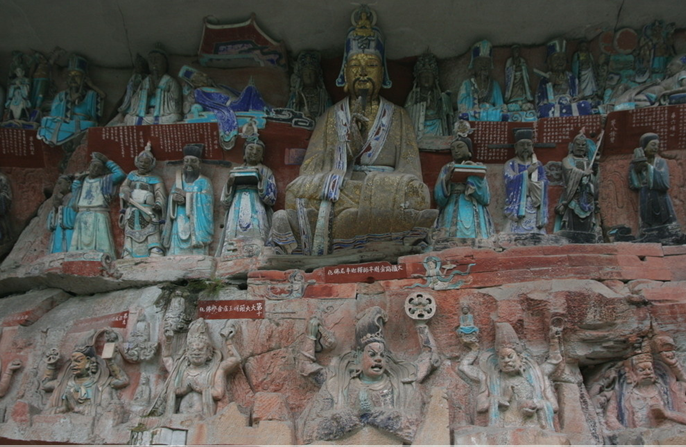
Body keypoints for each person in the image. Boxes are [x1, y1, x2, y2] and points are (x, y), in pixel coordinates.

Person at [268, 8, 436, 255]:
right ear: (344, 73)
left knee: (416, 194)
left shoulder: (399, 116)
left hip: (384, 188)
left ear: (382, 72)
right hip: (342, 187)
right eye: (355, 66)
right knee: (295, 191)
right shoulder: (330, 116)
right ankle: (369, 225)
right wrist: (345, 151)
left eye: (371, 65)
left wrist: (378, 185)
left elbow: (411, 173)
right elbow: (309, 170)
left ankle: (352, 222)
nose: (363, 72)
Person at [298, 306, 438, 444]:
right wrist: (311, 336)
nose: (378, 359)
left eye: (382, 355)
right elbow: (306, 368)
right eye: (372, 354)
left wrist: (421, 324)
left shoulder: (399, 382)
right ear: (359, 357)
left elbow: (430, 359)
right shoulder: (338, 382)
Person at [459, 321, 563, 430]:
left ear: (520, 358)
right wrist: (474, 350)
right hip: (504, 429)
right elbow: (481, 405)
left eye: (510, 356)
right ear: (497, 362)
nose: (506, 361)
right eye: (502, 358)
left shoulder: (537, 374)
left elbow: (554, 406)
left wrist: (535, 404)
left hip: (533, 428)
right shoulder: (489, 378)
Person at [148, 318, 241, 417]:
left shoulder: (215, 370)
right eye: (193, 350)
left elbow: (218, 393)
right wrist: (169, 340)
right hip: (179, 415)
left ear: (209, 353)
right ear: (187, 353)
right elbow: (166, 358)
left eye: (201, 350)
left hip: (202, 416)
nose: (196, 352)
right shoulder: (181, 369)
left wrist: (228, 341)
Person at [41, 331, 129, 419]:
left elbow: (105, 411)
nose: (73, 365)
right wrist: (50, 366)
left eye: (78, 361)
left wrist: (110, 361)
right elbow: (45, 387)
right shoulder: (63, 384)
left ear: (89, 361)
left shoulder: (102, 383)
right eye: (72, 362)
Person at [215, 134, 276, 256]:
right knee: (234, 234)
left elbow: (272, 198)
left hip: (257, 204)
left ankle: (257, 251)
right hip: (237, 204)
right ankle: (231, 252)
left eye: (258, 151)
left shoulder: (266, 171)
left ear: (262, 156)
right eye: (250, 149)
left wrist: (261, 181)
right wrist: (230, 184)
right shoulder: (236, 170)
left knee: (257, 233)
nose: (254, 152)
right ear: (244, 153)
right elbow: (225, 202)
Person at [434, 131, 493, 239]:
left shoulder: (477, 166)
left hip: (473, 204)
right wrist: (447, 178)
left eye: (460, 147)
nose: (456, 151)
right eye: (453, 149)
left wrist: (472, 175)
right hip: (452, 202)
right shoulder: (446, 168)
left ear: (469, 150)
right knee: (449, 236)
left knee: (476, 235)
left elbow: (485, 198)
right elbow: (438, 197)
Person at [37, 54, 102, 146]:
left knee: (92, 126)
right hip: (64, 124)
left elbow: (97, 112)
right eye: (70, 76)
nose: (73, 79)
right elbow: (54, 112)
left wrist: (92, 85)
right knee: (47, 121)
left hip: (82, 126)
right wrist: (69, 101)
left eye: (77, 76)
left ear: (83, 78)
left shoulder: (90, 95)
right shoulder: (61, 95)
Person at [69, 152, 126, 256]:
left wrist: (107, 161)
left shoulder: (105, 180)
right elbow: (74, 197)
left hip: (99, 214)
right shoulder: (81, 181)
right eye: (93, 166)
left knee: (102, 245)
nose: (95, 169)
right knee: (77, 247)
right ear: (89, 167)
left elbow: (121, 175)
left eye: (99, 168)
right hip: (81, 214)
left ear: (102, 170)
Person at [162, 144, 214, 255]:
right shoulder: (178, 182)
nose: (189, 164)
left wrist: (188, 197)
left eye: (193, 161)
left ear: (199, 163)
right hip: (179, 219)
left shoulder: (204, 182)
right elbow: (171, 198)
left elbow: (208, 203)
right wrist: (173, 199)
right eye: (186, 161)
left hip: (196, 224)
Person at [119, 143, 167, 258]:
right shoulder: (131, 175)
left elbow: (160, 194)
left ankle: (154, 249)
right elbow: (123, 187)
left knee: (151, 231)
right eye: (141, 162)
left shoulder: (156, 179)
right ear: (136, 161)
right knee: (130, 233)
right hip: (132, 209)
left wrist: (158, 203)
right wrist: (125, 191)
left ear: (152, 164)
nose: (143, 165)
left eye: (146, 163)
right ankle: (128, 251)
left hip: (148, 210)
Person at [629, 133, 680, 236]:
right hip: (645, 194)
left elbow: (665, 182)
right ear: (644, 147)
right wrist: (636, 170)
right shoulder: (635, 164)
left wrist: (648, 167)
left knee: (665, 216)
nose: (656, 148)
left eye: (657, 145)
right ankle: (648, 232)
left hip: (661, 196)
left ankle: (670, 232)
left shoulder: (661, 162)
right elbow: (635, 185)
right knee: (647, 218)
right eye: (653, 145)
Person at [503, 129, 548, 233]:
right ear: (516, 147)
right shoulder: (511, 164)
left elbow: (544, 182)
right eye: (522, 145)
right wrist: (527, 173)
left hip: (533, 203)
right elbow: (509, 180)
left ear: (532, 147)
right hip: (518, 205)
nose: (525, 148)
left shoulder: (538, 164)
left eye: (528, 145)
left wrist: (536, 185)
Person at [122, 48, 182, 126]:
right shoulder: (145, 82)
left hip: (163, 115)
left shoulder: (171, 82)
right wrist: (145, 94)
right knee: (128, 118)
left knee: (175, 117)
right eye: (151, 60)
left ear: (165, 63)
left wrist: (161, 92)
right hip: (145, 116)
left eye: (157, 60)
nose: (154, 63)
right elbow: (134, 101)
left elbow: (176, 105)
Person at [555, 131, 599, 235]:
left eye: (583, 145)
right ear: (572, 146)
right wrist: (583, 173)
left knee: (588, 221)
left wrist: (594, 173)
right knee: (572, 218)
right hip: (573, 195)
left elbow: (595, 180)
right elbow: (569, 170)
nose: (580, 147)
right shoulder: (568, 160)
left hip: (587, 195)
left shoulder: (588, 161)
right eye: (578, 144)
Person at [536, 39, 592, 118]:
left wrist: (578, 97)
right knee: (544, 110)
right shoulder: (545, 79)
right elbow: (541, 102)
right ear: (549, 62)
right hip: (553, 106)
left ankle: (567, 114)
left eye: (563, 58)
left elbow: (581, 93)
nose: (560, 62)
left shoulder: (571, 77)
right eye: (557, 59)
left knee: (585, 105)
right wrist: (550, 84)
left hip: (570, 105)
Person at [404, 51, 453, 137]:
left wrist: (445, 101)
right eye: (424, 77)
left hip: (436, 125)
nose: (427, 79)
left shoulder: (438, 95)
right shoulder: (414, 94)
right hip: (419, 125)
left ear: (434, 79)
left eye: (429, 77)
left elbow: (446, 115)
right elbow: (408, 112)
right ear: (418, 79)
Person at [458, 40, 505, 121]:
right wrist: (474, 98)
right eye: (480, 63)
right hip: (473, 114)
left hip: (491, 115)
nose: (483, 66)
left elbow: (500, 106)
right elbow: (461, 105)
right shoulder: (467, 84)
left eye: (486, 63)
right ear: (474, 65)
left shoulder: (494, 85)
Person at [287, 50, 332, 120]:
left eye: (312, 73)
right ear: (301, 77)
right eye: (305, 74)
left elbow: (330, 114)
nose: (309, 76)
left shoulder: (323, 95)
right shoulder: (296, 94)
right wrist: (296, 103)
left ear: (317, 76)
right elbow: (289, 112)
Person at [47, 175, 77, 253]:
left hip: (68, 232)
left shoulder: (74, 198)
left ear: (69, 183)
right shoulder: (61, 199)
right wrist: (56, 209)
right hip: (58, 232)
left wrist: (60, 208)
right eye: (58, 184)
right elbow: (51, 224)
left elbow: (73, 217)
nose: (59, 186)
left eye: (60, 183)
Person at [504, 45, 534, 113]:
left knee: (522, 87)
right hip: (512, 81)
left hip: (521, 79)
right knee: (513, 89)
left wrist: (522, 68)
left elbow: (525, 71)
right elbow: (508, 72)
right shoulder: (509, 61)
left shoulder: (522, 60)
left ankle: (523, 99)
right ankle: (512, 99)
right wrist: (513, 68)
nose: (516, 52)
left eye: (517, 51)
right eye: (515, 51)